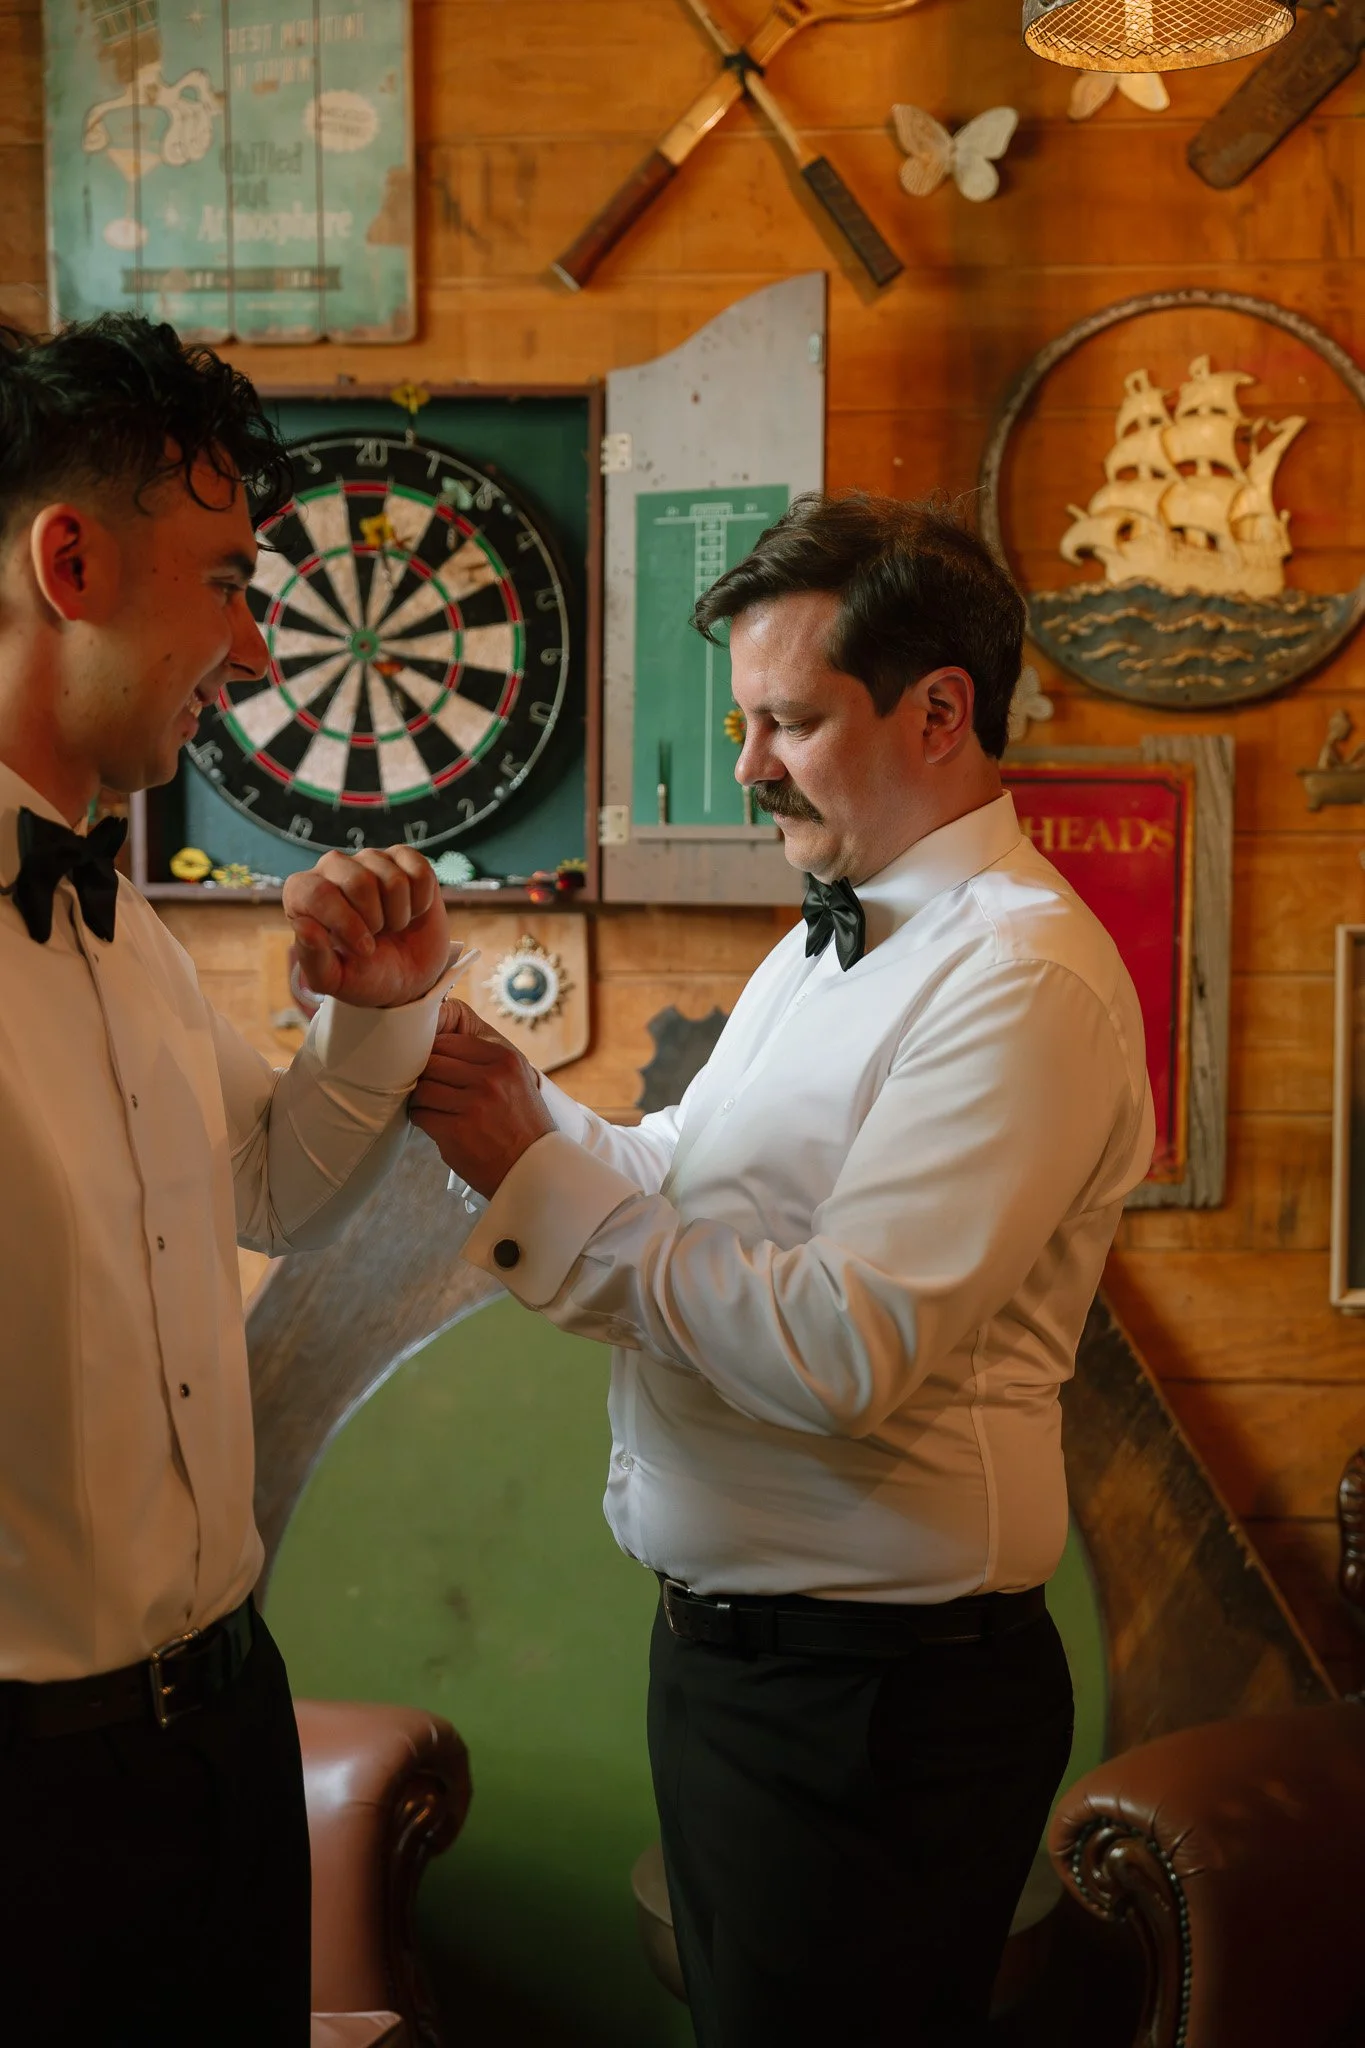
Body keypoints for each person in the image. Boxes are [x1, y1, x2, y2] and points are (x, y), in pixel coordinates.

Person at [412, 492, 1155, 2047]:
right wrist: (497, 1090)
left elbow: (843, 1346)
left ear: (941, 710)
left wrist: (530, 1182)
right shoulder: (835, 933)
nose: (748, 766)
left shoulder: (1017, 977)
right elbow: (682, 1170)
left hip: (878, 1709)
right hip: (757, 1677)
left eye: (789, 722)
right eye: (748, 723)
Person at [0, 315, 454, 2046]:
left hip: (225, 1733)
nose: (256, 643)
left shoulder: (126, 925)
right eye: (226, 580)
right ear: (69, 560)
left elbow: (270, 1186)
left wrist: (384, 1020)